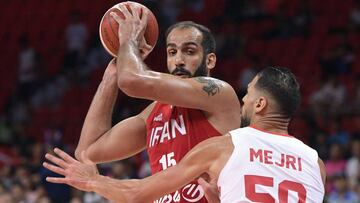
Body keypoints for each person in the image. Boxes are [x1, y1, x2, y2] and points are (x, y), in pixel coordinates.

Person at [43, 67, 326, 202]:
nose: (244, 100)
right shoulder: (316, 164)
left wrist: (94, 182)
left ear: (261, 104)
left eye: (249, 94)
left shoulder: (223, 147)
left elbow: (138, 194)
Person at [74, 4, 240, 203]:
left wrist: (129, 41)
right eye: (172, 52)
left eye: (189, 51)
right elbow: (88, 152)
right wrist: (109, 80)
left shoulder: (220, 93)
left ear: (210, 60)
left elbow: (131, 81)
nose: (178, 60)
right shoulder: (155, 111)